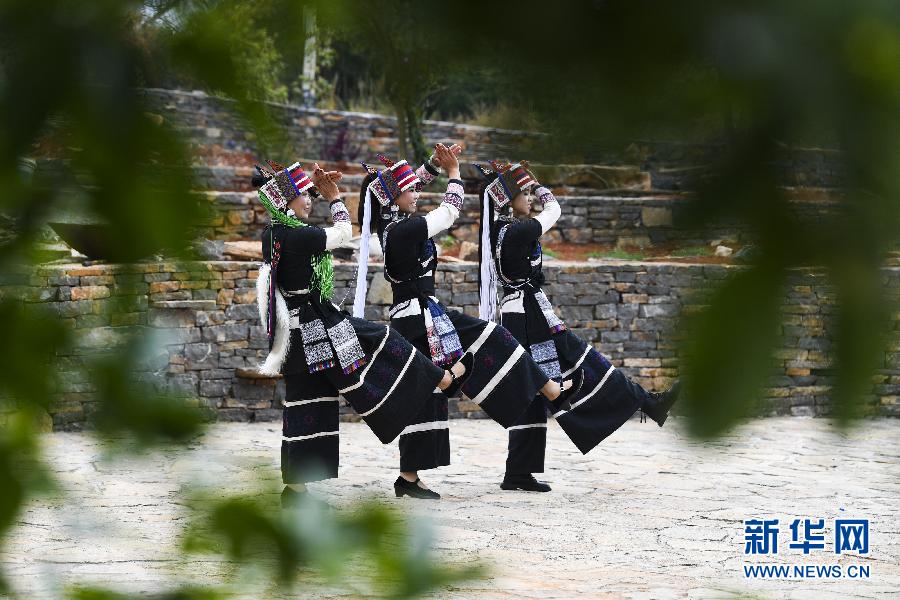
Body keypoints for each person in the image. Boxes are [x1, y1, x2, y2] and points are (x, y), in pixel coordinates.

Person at [355, 145, 583, 499]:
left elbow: (407, 187)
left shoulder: (391, 222)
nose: (416, 193)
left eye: (415, 187)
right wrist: (454, 173)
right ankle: (550, 390)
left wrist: (433, 165)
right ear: (392, 197)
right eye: (410, 190)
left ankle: (409, 476)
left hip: (423, 315)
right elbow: (449, 212)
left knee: (430, 391)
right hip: (417, 319)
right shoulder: (403, 230)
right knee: (490, 342)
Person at [253, 160, 469, 507]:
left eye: (310, 195)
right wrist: (334, 198)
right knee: (381, 341)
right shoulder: (297, 235)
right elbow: (342, 233)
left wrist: (425, 170)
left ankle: (295, 492)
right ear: (284, 201)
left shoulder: (275, 233)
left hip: (299, 331)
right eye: (303, 195)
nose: (309, 200)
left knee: (309, 404)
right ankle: (442, 379)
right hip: (313, 327)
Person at [476, 161, 681, 493]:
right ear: (508, 200)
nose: (530, 198)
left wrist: (523, 183)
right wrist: (540, 185)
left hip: (520, 312)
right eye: (524, 193)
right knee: (584, 360)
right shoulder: (518, 231)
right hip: (529, 314)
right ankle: (648, 403)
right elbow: (554, 210)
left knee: (531, 392)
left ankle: (519, 472)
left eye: (530, 193)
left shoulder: (499, 230)